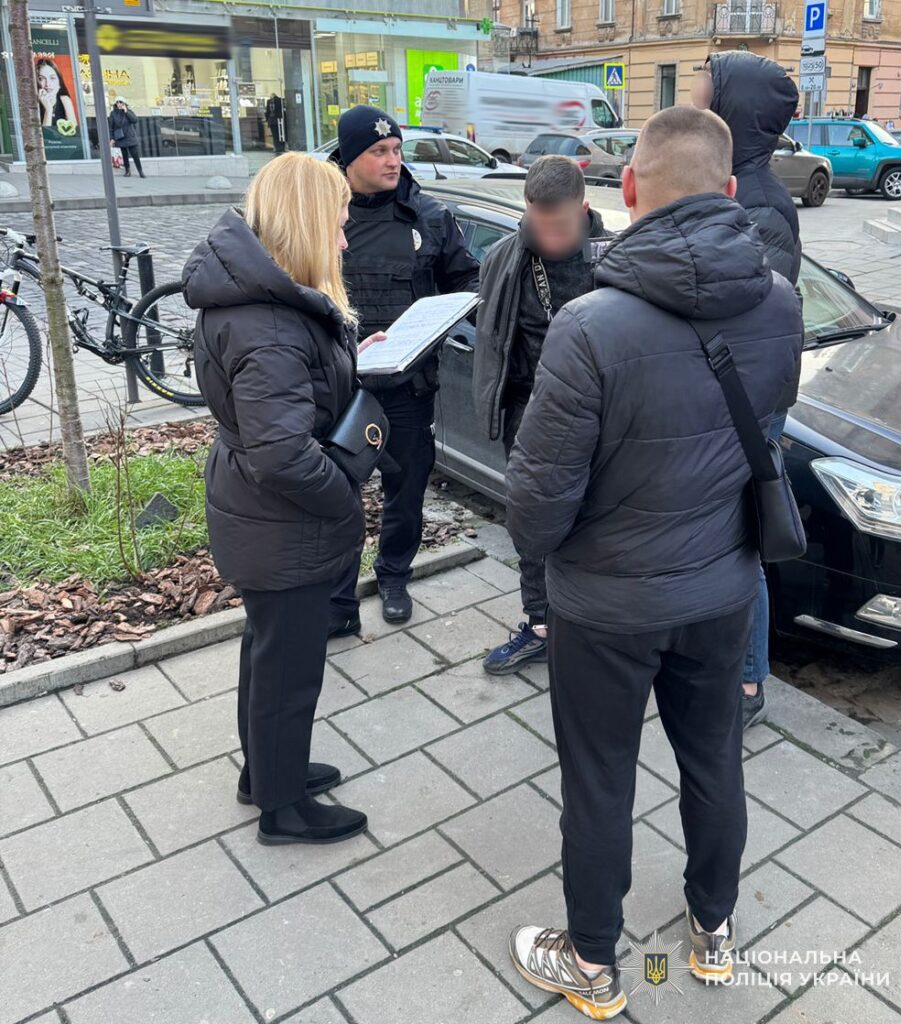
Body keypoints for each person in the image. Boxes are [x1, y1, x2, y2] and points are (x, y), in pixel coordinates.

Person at [503, 106, 803, 1018]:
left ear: (627, 189)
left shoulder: (589, 324)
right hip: (721, 589)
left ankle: (592, 963)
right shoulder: (779, 302)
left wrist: (550, 567)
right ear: (727, 190)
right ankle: (712, 931)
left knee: (598, 778)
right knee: (713, 759)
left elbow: (535, 503)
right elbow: (762, 437)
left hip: (604, 606)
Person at [182, 154, 374, 845]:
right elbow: (283, 455)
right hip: (284, 523)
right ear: (307, 224)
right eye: (338, 223)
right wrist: (344, 499)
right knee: (289, 674)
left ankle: (263, 775)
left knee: (267, 655)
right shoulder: (267, 326)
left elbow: (285, 406)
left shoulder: (262, 300)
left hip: (261, 515)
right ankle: (283, 810)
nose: (344, 239)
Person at [328, 105, 479, 634]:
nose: (393, 160)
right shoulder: (321, 212)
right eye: (379, 152)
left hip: (407, 384)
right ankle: (338, 599)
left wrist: (450, 313)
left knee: (406, 490)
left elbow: (466, 280)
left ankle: (394, 576)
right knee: (336, 496)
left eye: (396, 150)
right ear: (350, 158)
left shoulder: (429, 217)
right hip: (338, 385)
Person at [692, 51, 802, 728]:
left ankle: (749, 682)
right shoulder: (731, 185)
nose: (694, 90)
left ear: (734, 105)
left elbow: (748, 314)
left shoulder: (760, 204)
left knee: (742, 546)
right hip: (719, 395)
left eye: (705, 82)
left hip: (745, 407)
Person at [473, 155, 611, 675]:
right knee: (530, 524)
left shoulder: (614, 257)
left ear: (584, 208)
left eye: (561, 226)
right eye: (539, 223)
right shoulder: (505, 258)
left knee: (597, 523)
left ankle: (597, 631)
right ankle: (540, 625)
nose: (549, 238)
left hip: (600, 418)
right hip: (527, 416)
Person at [35, 58, 76, 131]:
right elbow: (45, 135)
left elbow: (74, 132)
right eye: (41, 79)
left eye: (52, 78)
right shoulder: (33, 104)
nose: (47, 84)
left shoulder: (65, 100)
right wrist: (48, 110)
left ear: (59, 83)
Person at [108, 98, 145, 178]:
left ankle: (140, 171)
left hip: (130, 136)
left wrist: (126, 111)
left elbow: (134, 120)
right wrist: (112, 138)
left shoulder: (128, 111)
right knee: (124, 155)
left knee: (135, 155)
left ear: (124, 103)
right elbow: (111, 127)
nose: (119, 104)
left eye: (120, 102)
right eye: (117, 102)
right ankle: (127, 171)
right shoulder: (113, 113)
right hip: (120, 137)